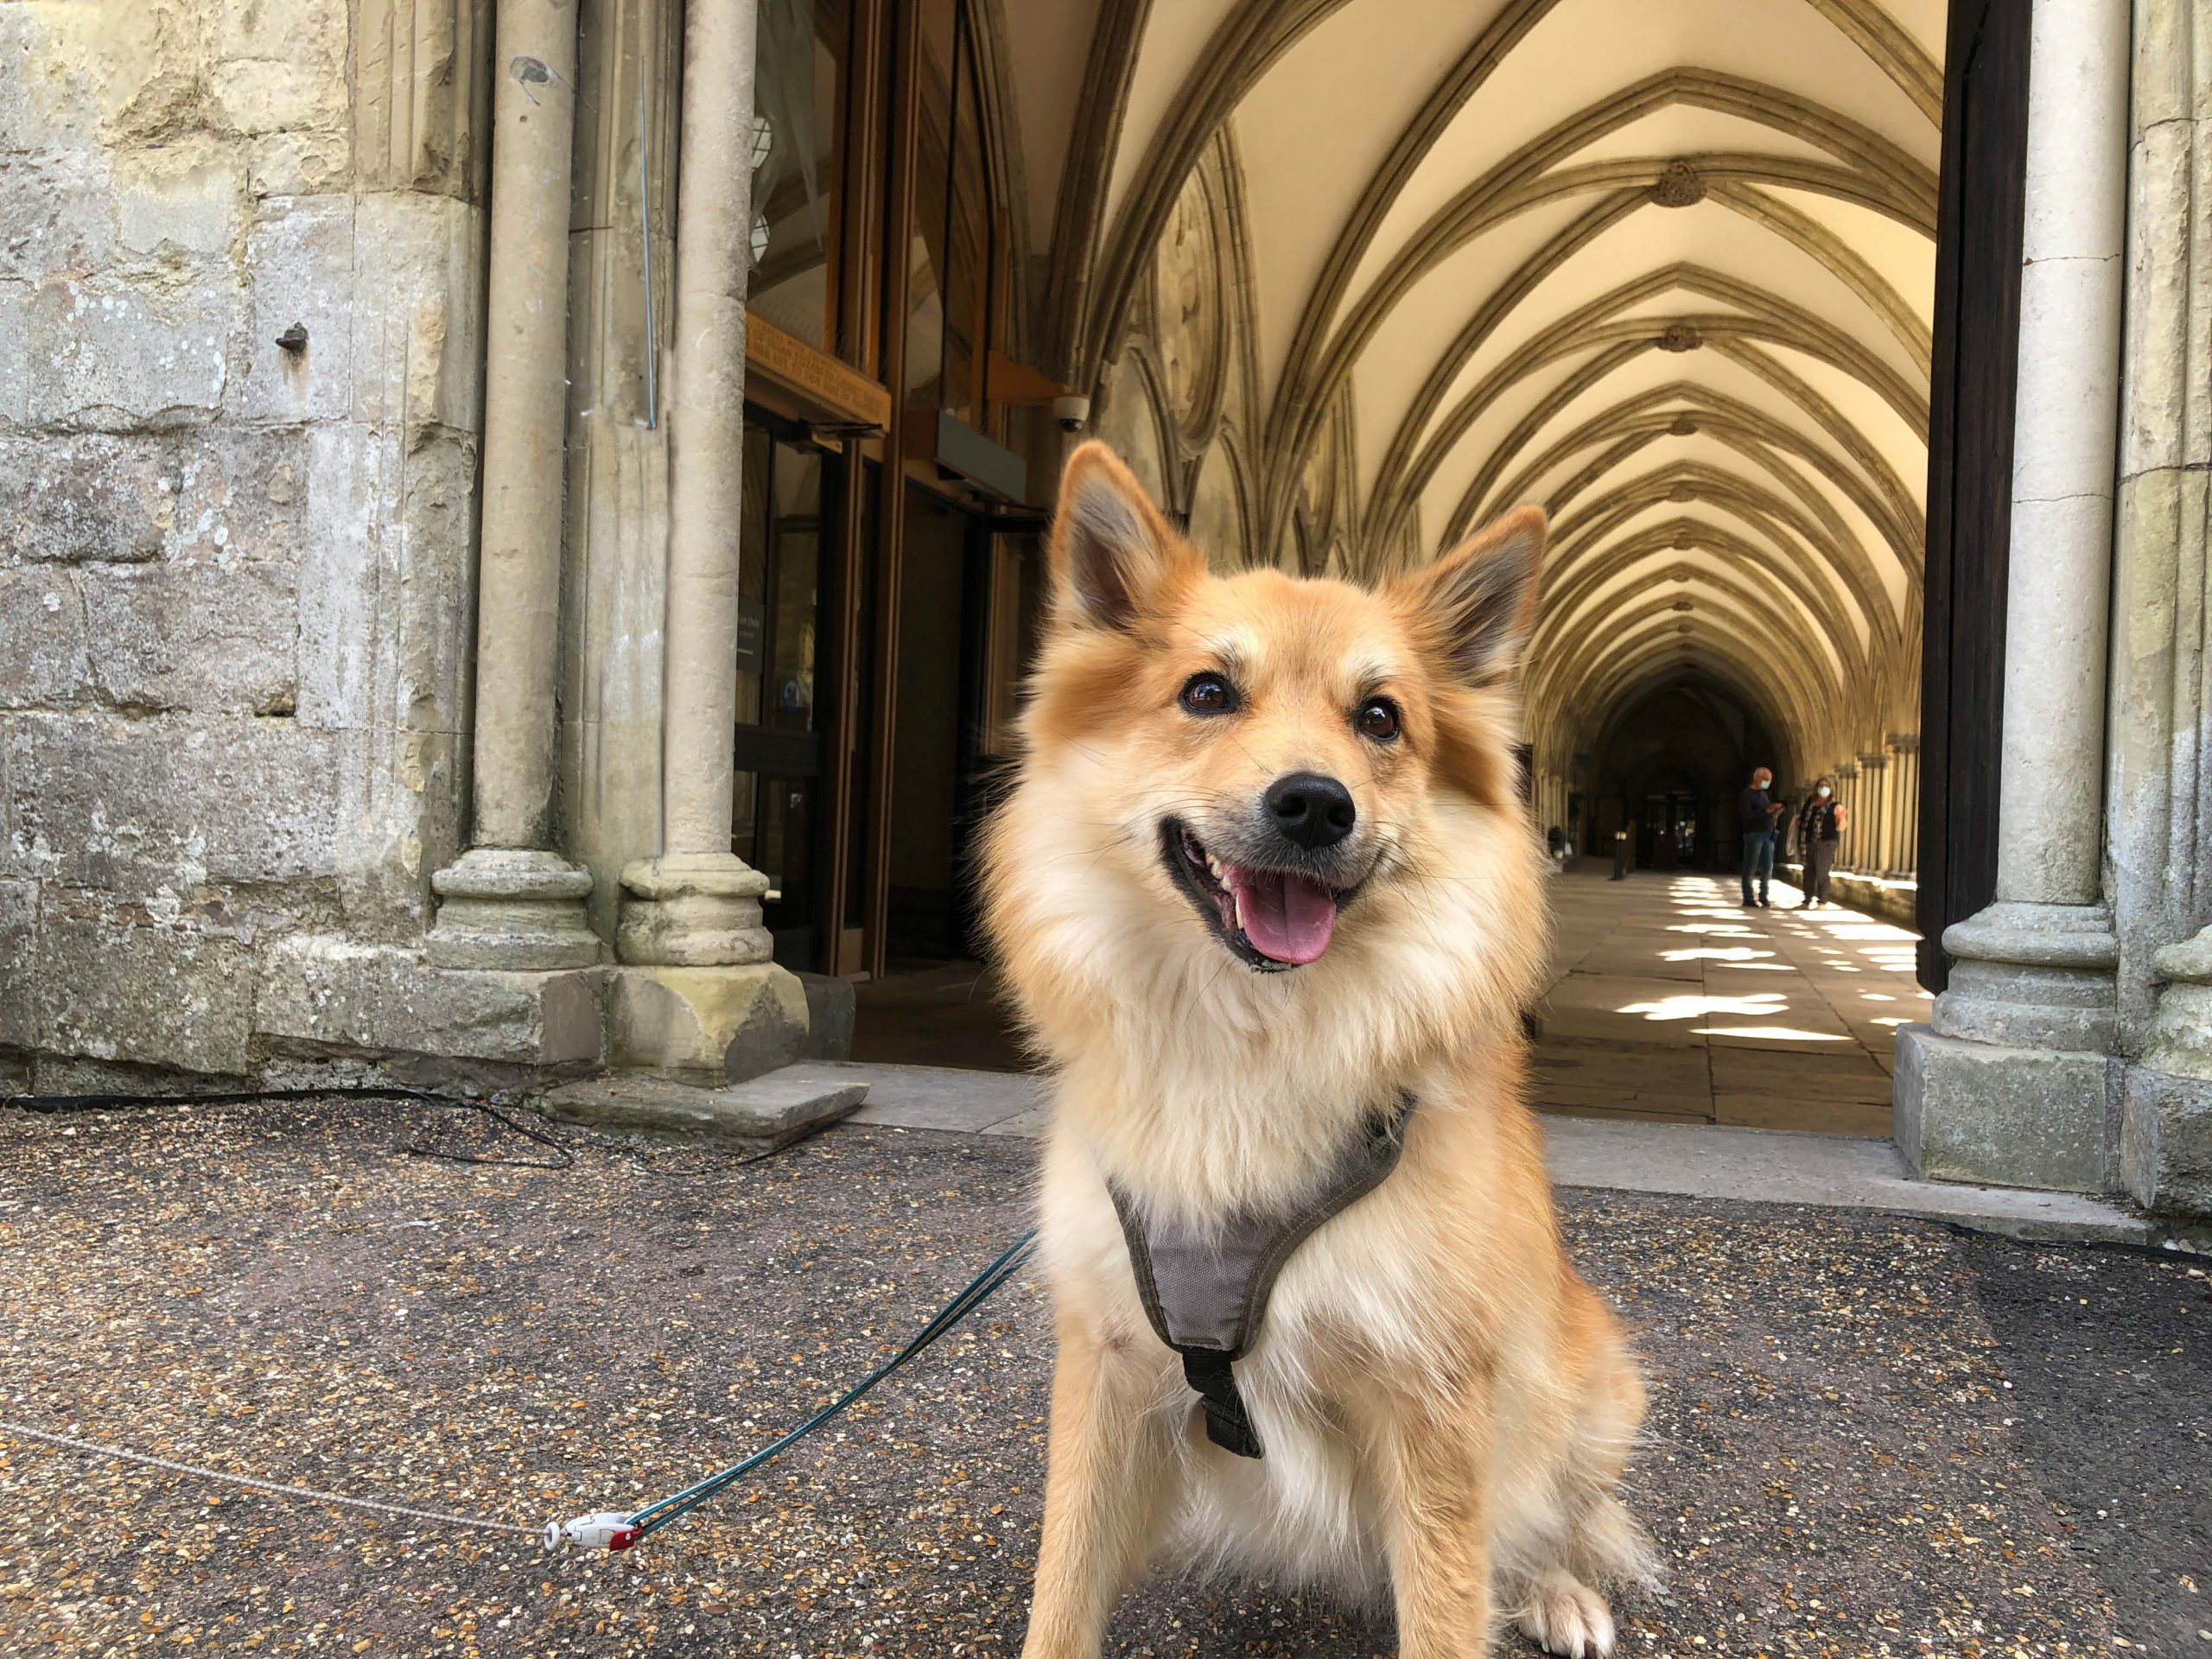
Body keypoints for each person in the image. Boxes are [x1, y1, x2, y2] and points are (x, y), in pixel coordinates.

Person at [1795, 779, 1847, 907]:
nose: (1823, 788)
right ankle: (1807, 900)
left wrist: (1841, 817)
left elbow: (1841, 827)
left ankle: (1822, 901)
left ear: (1831, 789)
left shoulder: (1836, 806)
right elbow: (1801, 820)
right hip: (1808, 842)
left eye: (1826, 786)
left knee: (1822, 871)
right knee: (1808, 871)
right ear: (1816, 788)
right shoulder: (1810, 804)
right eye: (1821, 786)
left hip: (1827, 843)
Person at [1737, 766, 1783, 907]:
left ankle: (1764, 895)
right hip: (1754, 834)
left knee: (1768, 866)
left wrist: (1775, 812)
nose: (1768, 782)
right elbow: (1747, 815)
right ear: (1757, 778)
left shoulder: (1764, 794)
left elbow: (1767, 813)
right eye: (1766, 780)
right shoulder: (1746, 794)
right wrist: (1766, 810)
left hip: (1768, 833)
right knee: (1751, 865)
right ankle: (1748, 897)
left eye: (1770, 780)